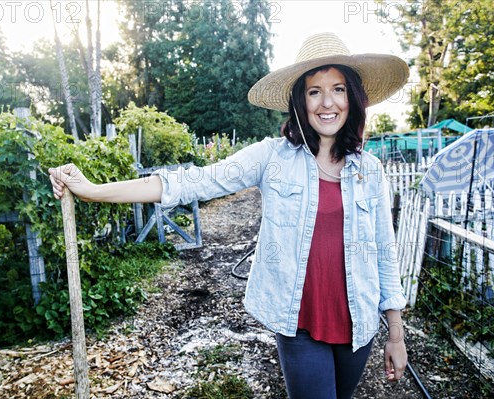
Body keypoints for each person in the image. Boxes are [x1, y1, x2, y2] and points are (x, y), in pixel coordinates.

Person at [49, 32, 409, 399]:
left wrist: (395, 334)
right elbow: (194, 183)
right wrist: (93, 191)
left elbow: (384, 250)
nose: (327, 102)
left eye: (338, 89)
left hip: (357, 324)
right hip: (299, 324)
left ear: (353, 97)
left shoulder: (370, 171)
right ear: (300, 100)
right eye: (314, 91)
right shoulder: (272, 158)